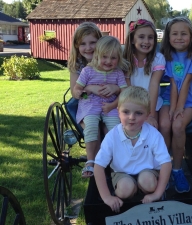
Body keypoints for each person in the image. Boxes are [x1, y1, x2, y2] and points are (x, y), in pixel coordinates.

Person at [94, 86, 172, 213]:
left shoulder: (153, 134)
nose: (131, 117)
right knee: (124, 190)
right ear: (118, 112)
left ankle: (150, 191)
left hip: (148, 171)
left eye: (138, 113)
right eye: (126, 112)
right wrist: (107, 197)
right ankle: (133, 190)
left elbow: (166, 163)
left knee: (148, 182)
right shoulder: (112, 136)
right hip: (122, 173)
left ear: (147, 115)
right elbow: (98, 166)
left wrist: (157, 194)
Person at [159, 17, 192, 193]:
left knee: (178, 125)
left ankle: (177, 170)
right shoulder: (168, 53)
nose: (179, 37)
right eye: (175, 34)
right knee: (164, 124)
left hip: (190, 101)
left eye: (183, 34)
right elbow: (172, 83)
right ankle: (163, 169)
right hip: (168, 97)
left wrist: (179, 108)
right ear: (168, 37)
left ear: (191, 35)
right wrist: (172, 107)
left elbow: (186, 82)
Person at [67, 22, 120, 177]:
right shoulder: (78, 64)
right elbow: (75, 93)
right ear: (77, 46)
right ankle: (94, 165)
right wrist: (89, 90)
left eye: (92, 42)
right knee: (94, 128)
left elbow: (121, 82)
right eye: (82, 44)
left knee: (110, 129)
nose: (88, 47)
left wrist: (115, 88)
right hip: (88, 105)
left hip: (109, 105)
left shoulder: (109, 59)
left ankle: (114, 163)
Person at [123, 19, 165, 129]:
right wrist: (134, 110)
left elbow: (154, 85)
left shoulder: (158, 59)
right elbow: (127, 88)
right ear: (132, 39)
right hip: (130, 101)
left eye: (150, 37)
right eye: (141, 37)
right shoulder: (125, 59)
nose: (146, 41)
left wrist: (150, 115)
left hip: (151, 102)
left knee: (151, 128)